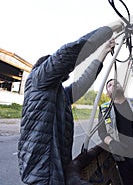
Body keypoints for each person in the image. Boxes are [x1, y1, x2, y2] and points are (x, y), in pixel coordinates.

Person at [18, 23, 123, 185]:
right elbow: (69, 53)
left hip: (55, 171)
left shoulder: (58, 95)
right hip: (42, 174)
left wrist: (102, 53)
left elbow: (83, 82)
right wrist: (111, 28)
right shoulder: (38, 78)